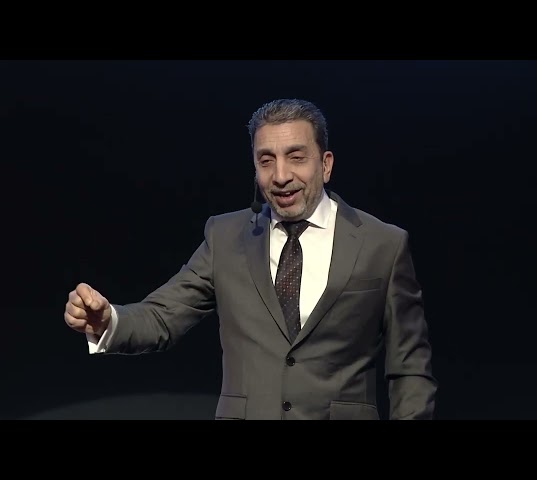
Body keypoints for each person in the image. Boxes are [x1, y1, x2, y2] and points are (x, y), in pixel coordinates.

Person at [63, 98, 438, 420]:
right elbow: (162, 316)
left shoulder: (382, 244)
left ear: (325, 165)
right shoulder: (225, 238)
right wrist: (108, 320)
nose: (281, 175)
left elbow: (410, 368)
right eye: (266, 161)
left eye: (296, 157)